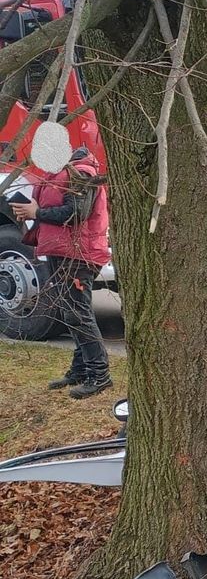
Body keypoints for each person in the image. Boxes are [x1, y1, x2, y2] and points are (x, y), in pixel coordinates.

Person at [12, 147, 112, 398]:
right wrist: (32, 211)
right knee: (72, 314)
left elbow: (77, 212)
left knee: (78, 314)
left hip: (79, 255)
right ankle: (80, 370)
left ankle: (100, 375)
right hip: (65, 252)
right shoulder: (61, 173)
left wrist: (37, 213)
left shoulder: (81, 173)